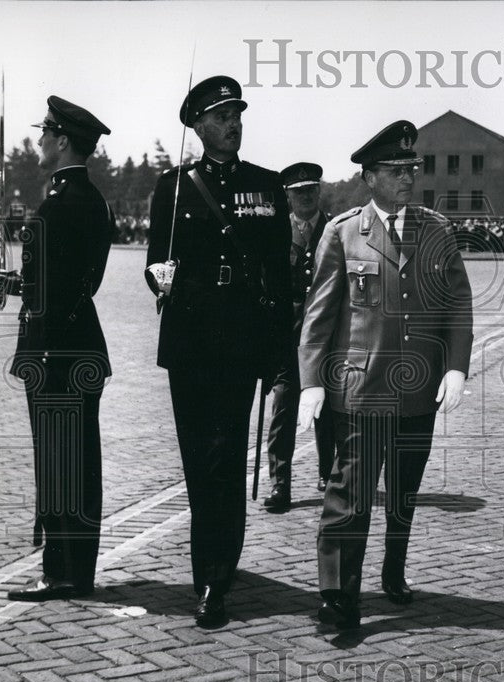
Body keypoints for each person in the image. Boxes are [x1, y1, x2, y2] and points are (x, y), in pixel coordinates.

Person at [297, 120, 474, 630]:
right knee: (349, 495)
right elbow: (319, 314)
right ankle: (337, 595)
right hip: (362, 387)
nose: (407, 178)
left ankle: (393, 567)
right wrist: (311, 381)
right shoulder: (343, 232)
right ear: (369, 177)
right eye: (396, 171)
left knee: (403, 491)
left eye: (411, 169)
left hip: (418, 390)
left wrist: (456, 366)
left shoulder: (436, 230)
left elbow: (457, 303)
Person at [145, 75, 292, 628]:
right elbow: (156, 258)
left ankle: (214, 579)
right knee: (197, 459)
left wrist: (278, 349)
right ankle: (210, 560)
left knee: (226, 457)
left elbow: (279, 275)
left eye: (237, 115)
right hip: (189, 339)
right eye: (222, 117)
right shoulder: (173, 187)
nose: (233, 125)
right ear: (199, 126)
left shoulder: (266, 186)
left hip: (240, 339)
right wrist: (158, 277)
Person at [0, 97, 113, 602]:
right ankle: (77, 569)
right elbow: (78, 283)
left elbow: (49, 292)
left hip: (54, 352)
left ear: (62, 141)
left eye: (45, 133)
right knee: (80, 463)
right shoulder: (95, 200)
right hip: (81, 344)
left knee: (58, 465)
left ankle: (61, 572)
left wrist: (15, 285)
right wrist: (21, 283)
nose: (39, 141)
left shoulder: (57, 206)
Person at [263, 162, 335, 510]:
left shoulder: (335, 229)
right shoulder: (276, 232)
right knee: (283, 407)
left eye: (311, 189)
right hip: (286, 336)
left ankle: (328, 473)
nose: (306, 196)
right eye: (298, 191)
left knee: (328, 408)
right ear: (288, 197)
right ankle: (280, 484)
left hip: (326, 335)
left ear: (319, 192)